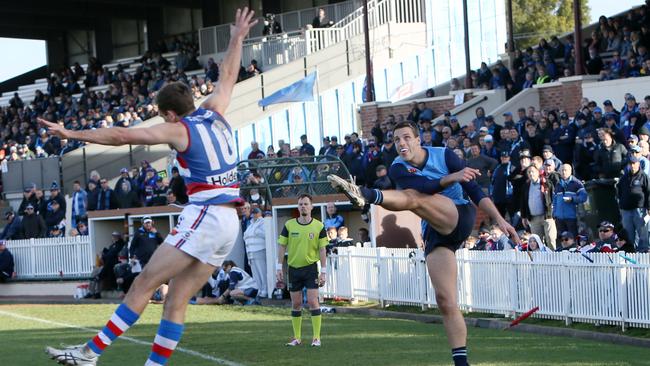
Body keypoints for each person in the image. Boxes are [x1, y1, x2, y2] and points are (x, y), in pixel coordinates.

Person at [43, 8, 257, 366]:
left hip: (205, 215)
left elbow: (122, 134)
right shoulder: (216, 111)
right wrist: (237, 38)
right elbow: (229, 75)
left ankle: (89, 353)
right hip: (228, 222)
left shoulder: (178, 129)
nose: (161, 121)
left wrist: (73, 133)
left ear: (171, 114)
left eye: (161, 115)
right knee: (175, 298)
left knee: (143, 283)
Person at [328, 121, 517, 366]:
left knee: (414, 199)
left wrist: (501, 220)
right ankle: (461, 362)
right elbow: (424, 187)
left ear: (419, 140)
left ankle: (365, 195)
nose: (401, 143)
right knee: (445, 300)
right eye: (397, 139)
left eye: (407, 137)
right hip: (436, 232)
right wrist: (452, 177)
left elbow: (475, 191)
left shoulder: (445, 155)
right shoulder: (397, 167)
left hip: (459, 215)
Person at [276, 194, 328, 347]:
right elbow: (282, 246)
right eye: (300, 204)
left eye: (305, 204)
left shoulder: (319, 226)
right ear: (297, 207)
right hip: (293, 269)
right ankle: (296, 338)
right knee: (296, 303)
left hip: (311, 268)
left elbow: (323, 249)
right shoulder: (289, 225)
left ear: (311, 206)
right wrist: (279, 267)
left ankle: (316, 338)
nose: (303, 206)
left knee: (313, 301)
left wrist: (323, 271)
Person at [616, 155, 650, 253]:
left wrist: (649, 207)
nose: (632, 166)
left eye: (634, 163)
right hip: (626, 210)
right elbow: (619, 191)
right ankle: (630, 252)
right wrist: (621, 205)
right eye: (630, 164)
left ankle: (644, 251)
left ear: (638, 164)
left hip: (639, 209)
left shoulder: (644, 176)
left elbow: (648, 192)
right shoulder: (624, 178)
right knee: (628, 233)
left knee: (642, 232)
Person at [243, 207, 268, 297]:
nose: (254, 214)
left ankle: (265, 290)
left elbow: (266, 234)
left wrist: (257, 232)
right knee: (255, 273)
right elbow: (246, 237)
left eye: (256, 212)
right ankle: (260, 290)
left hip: (260, 250)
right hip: (250, 252)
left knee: (262, 271)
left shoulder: (263, 222)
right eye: (253, 213)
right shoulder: (250, 224)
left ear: (260, 213)